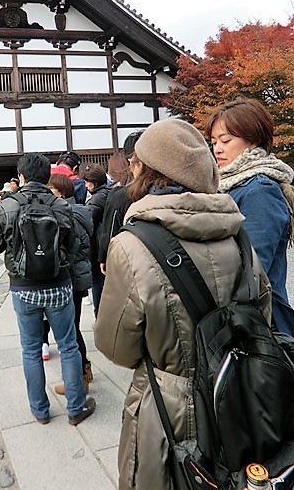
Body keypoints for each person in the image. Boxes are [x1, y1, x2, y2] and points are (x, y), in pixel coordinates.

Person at [94, 118, 271, 490]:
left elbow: (116, 346)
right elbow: (262, 314)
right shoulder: (238, 233)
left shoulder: (132, 244)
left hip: (170, 406)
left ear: (147, 170)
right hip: (240, 395)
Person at [0, 152, 96, 425]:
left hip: (23, 288)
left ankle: (40, 410)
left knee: (31, 349)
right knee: (69, 346)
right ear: (48, 176)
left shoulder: (5, 206)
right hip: (58, 284)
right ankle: (75, 408)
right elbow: (72, 246)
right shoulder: (60, 206)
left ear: (20, 177)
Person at [205, 97, 294, 335]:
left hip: (261, 321)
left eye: (226, 140)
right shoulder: (228, 184)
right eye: (213, 141)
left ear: (253, 140)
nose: (218, 149)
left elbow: (253, 269)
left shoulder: (260, 190)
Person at [48, 172, 94, 392]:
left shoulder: (67, 214)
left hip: (71, 277)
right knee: (73, 327)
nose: (48, 193)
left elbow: (73, 248)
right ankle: (85, 370)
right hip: (77, 276)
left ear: (61, 192)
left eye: (51, 190)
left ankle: (78, 380)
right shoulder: (79, 211)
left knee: (70, 330)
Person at [98, 131, 144, 274]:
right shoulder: (174, 189)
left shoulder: (121, 195)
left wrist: (104, 257)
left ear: (130, 161)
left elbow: (110, 231)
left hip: (130, 262)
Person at [82, 163, 110, 318]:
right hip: (104, 245)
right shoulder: (107, 193)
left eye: (87, 182)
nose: (85, 185)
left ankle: (99, 315)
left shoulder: (97, 198)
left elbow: (88, 221)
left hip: (97, 247)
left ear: (95, 182)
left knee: (97, 282)